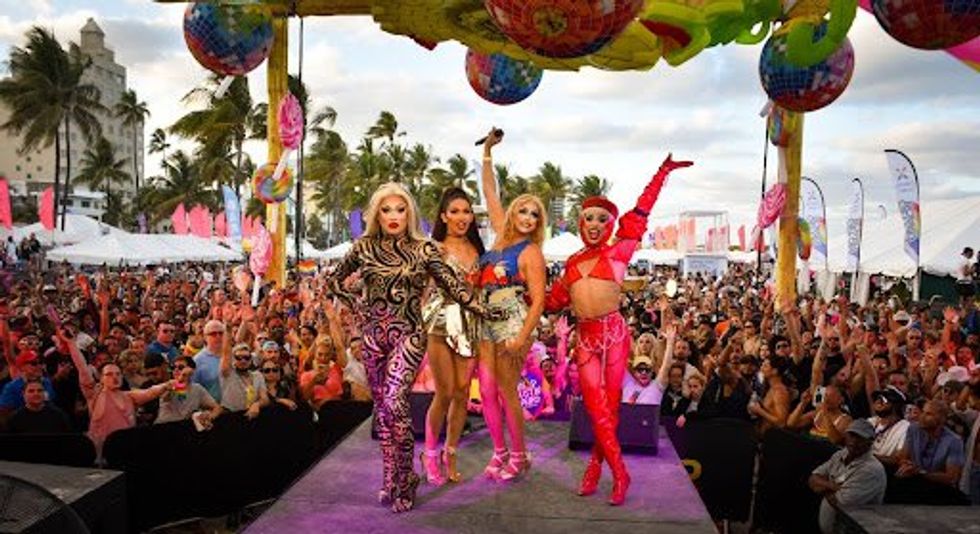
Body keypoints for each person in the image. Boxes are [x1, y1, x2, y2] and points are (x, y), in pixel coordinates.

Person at [326, 182, 497, 513]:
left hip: (409, 334)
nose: (394, 216)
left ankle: (407, 478)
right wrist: (357, 306)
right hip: (373, 337)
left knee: (395, 402)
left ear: (410, 214)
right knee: (383, 411)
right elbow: (334, 281)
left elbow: (455, 287)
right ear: (377, 214)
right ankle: (390, 476)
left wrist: (484, 310)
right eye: (386, 209)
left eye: (400, 209)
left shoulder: (425, 249)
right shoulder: (363, 248)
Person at [542, 152, 691, 505]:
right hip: (585, 339)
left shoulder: (619, 251)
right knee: (597, 409)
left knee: (609, 409)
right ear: (580, 222)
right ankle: (620, 472)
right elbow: (552, 302)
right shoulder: (571, 264)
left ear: (609, 224)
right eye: (588, 218)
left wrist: (662, 173)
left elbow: (642, 211)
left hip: (613, 336)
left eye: (601, 218)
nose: (594, 224)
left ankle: (596, 468)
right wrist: (521, 282)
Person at [478, 130, 548, 484]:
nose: (528, 217)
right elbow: (490, 191)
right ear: (513, 212)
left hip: (513, 323)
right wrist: (488, 152)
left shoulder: (531, 253)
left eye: (534, 215)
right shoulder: (499, 235)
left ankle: (519, 455)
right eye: (523, 210)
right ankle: (500, 451)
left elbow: (539, 301)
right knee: (486, 391)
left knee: (507, 392)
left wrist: (522, 338)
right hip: (485, 319)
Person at [421, 187, 484, 486]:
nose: (462, 217)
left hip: (470, 324)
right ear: (444, 216)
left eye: (466, 211)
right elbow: (421, 288)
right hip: (440, 321)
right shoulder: (434, 248)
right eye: (455, 211)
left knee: (462, 392)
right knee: (444, 392)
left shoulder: (478, 249)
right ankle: (430, 454)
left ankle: (451, 453)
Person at [808, 419, 887, 534]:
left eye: (860, 438)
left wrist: (822, 487)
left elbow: (842, 503)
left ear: (870, 441)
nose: (854, 441)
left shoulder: (871, 469)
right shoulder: (840, 454)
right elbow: (812, 479)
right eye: (851, 435)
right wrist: (833, 486)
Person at [155, 356, 222, 427]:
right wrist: (182, 376)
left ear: (191, 370)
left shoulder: (197, 388)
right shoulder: (168, 384)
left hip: (184, 427)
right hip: (165, 426)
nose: (176, 370)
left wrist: (210, 417)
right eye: (173, 367)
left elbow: (217, 408)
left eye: (180, 367)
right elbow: (166, 396)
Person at [7, 378, 71, 434]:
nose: (36, 394)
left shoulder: (59, 416)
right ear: (23, 394)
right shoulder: (14, 418)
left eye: (40, 390)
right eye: (31, 391)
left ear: (44, 393)